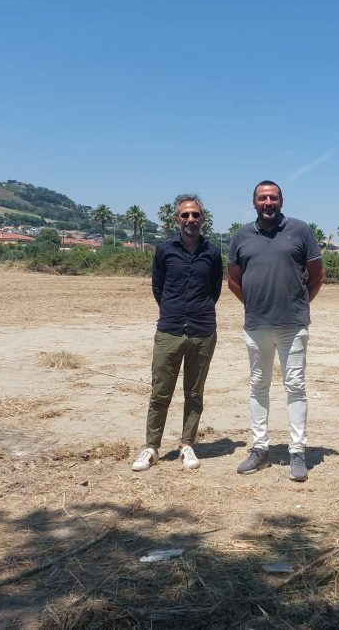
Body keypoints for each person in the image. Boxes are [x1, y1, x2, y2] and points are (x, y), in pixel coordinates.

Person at [227, 180, 325, 482]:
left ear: (281, 201)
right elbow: (233, 281)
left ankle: (297, 452)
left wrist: (296, 305)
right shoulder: (241, 235)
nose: (267, 202)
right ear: (254, 202)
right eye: (262, 198)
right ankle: (259, 448)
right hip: (256, 325)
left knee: (295, 386)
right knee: (258, 384)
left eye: (273, 197)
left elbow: (317, 276)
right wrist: (256, 304)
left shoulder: (300, 230)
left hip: (292, 326)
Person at [132, 194, 222, 473]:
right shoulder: (164, 250)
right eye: (185, 215)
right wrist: (175, 311)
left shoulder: (213, 252)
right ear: (176, 219)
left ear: (202, 219)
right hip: (169, 330)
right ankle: (152, 447)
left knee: (194, 393)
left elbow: (215, 289)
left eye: (195, 215)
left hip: (203, 331)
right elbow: (158, 287)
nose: (190, 220)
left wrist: (197, 311)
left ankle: (186, 445)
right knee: (160, 392)